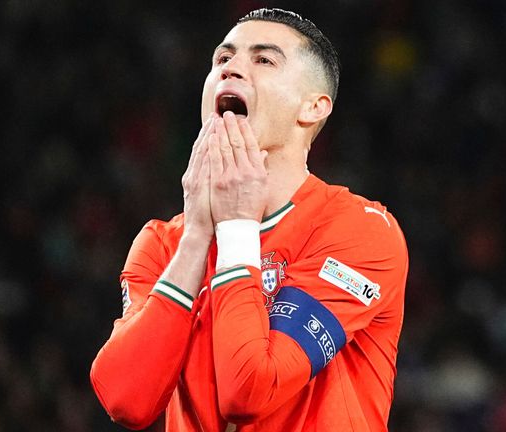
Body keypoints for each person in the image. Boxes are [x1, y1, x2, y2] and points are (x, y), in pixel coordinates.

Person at [90, 8, 408, 432]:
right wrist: (199, 235)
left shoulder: (360, 230)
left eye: (263, 60)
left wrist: (238, 228)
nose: (231, 69)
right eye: (223, 59)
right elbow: (126, 400)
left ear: (313, 107)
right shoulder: (164, 243)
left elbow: (251, 389)